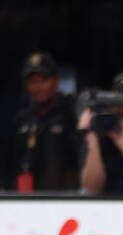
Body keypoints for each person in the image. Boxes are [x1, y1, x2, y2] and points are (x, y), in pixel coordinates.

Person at [3, 51, 78, 192]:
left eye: (43, 80)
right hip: (22, 200)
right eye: (33, 82)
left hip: (65, 200)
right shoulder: (20, 121)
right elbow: (9, 166)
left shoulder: (71, 116)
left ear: (56, 80)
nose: (38, 87)